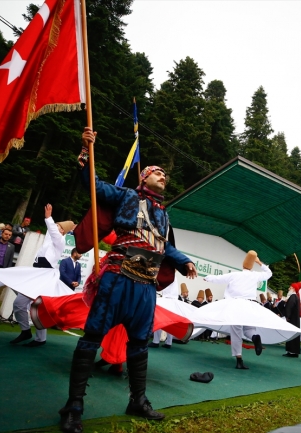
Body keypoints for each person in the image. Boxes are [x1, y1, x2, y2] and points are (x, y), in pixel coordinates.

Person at [58, 127, 197, 433]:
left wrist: (182, 259)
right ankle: (73, 406)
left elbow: (164, 244)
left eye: (164, 174)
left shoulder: (164, 213)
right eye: (157, 172)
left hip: (146, 286)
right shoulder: (124, 195)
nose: (163, 176)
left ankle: (138, 399)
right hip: (119, 276)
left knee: (140, 342)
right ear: (143, 177)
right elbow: (92, 185)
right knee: (92, 337)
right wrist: (86, 150)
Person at [11, 204, 73, 347]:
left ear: (62, 231)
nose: (55, 227)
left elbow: (54, 232)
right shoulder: (49, 239)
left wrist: (49, 218)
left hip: (44, 275)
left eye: (58, 226)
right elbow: (51, 232)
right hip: (37, 272)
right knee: (33, 306)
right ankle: (37, 337)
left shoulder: (60, 241)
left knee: (23, 304)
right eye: (55, 225)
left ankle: (32, 334)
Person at [204, 250, 271, 369]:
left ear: (243, 264)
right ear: (251, 266)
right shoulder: (255, 275)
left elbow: (218, 279)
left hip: (236, 305)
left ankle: (239, 360)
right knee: (249, 329)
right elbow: (269, 273)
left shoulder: (235, 275)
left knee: (236, 333)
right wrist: (259, 263)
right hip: (249, 305)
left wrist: (207, 278)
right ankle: (255, 337)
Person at [283, 282, 301, 358]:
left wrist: (287, 316)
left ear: (293, 289)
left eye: (290, 287)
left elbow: (289, 308)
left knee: (291, 335)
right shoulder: (295, 297)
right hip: (294, 319)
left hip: (292, 320)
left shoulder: (293, 297)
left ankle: (292, 351)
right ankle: (293, 351)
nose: (289, 288)